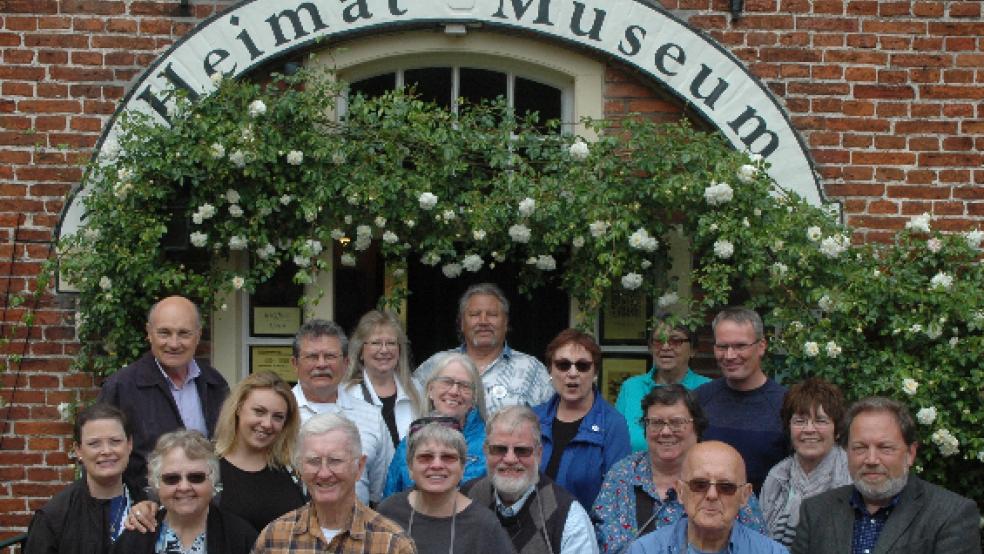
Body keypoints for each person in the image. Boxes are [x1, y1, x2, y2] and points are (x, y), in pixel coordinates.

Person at [791, 397, 982, 554]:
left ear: (910, 454)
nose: (871, 459)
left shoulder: (951, 514)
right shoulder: (816, 511)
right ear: (846, 452)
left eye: (885, 448)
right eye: (860, 448)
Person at [595, 385, 766, 554]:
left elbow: (756, 543)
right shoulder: (623, 474)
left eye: (677, 423)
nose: (666, 431)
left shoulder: (726, 473)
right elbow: (601, 538)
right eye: (656, 423)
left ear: (697, 427)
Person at [97, 295, 230, 488]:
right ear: (149, 333)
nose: (174, 343)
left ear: (198, 335)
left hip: (206, 508)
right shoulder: (122, 387)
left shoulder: (214, 383)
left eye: (184, 333)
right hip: (144, 511)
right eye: (164, 333)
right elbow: (101, 458)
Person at [252, 413, 416, 553]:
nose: (324, 473)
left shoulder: (393, 544)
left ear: (359, 467)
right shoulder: (274, 538)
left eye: (335, 460)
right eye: (313, 461)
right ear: (300, 469)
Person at [461, 406, 599, 554]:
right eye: (500, 449)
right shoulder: (466, 498)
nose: (510, 459)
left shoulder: (568, 516)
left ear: (539, 454)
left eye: (522, 450)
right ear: (486, 452)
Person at [290, 319, 394, 504]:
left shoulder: (371, 416)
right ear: (294, 363)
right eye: (312, 356)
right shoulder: (278, 416)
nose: (321, 364)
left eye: (330, 356)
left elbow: (382, 490)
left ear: (346, 363)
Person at [414, 282, 553, 415]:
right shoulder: (435, 364)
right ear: (462, 323)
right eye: (475, 315)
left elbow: (550, 420)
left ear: (506, 323)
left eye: (492, 315)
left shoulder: (531, 369)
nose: (483, 322)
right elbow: (409, 413)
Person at [24, 403, 145, 554]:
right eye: (94, 444)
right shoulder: (54, 517)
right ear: (78, 450)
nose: (106, 451)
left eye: (115, 441)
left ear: (129, 444)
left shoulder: (150, 506)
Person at [378, 421, 516, 553]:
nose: (437, 465)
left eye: (448, 457)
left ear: (462, 468)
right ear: (410, 467)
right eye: (425, 457)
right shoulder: (388, 512)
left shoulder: (484, 525)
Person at [626, 441, 788, 554]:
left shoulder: (772, 552)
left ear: (745, 495)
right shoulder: (645, 550)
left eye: (726, 487)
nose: (712, 495)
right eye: (699, 485)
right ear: (681, 491)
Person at [532, 328, 630, 510]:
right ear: (550, 369)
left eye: (582, 366)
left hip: (587, 534)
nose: (573, 373)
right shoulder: (532, 418)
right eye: (563, 365)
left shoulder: (612, 424)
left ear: (595, 373)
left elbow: (618, 496)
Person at [114, 429, 257, 553]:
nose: (184, 487)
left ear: (212, 481)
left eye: (196, 477)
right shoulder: (136, 537)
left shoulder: (240, 536)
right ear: (156, 483)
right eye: (172, 478)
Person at [694, 306, 786, 493]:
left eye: (740, 346)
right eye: (722, 346)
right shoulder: (699, 399)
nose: (729, 355)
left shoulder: (785, 404)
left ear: (761, 346)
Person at [760, 378, 852, 547]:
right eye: (800, 421)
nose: (809, 429)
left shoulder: (852, 475)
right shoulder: (778, 475)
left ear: (837, 430)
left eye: (820, 421)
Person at [385, 352, 488, 496]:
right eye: (447, 382)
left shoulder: (489, 444)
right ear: (430, 390)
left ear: (474, 397)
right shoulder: (409, 442)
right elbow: (390, 500)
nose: (454, 391)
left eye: (464, 386)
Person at [615, 317, 710, 452]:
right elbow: (616, 441)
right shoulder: (631, 387)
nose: (665, 347)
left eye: (675, 341)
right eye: (659, 341)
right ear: (650, 348)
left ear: (693, 350)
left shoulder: (708, 389)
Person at [342, 310, 424, 448]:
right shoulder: (346, 394)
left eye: (391, 343)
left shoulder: (416, 390)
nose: (384, 350)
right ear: (361, 351)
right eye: (376, 343)